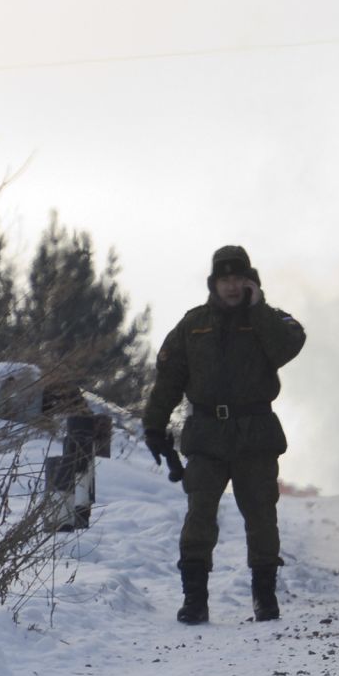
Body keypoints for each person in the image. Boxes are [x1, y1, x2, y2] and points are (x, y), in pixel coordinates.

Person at [142, 245, 306, 623]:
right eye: (224, 280)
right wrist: (154, 424)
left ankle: (265, 597)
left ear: (250, 282)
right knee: (199, 515)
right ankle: (194, 599)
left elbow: (284, 350)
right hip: (207, 434)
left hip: (255, 432)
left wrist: (258, 309)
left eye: (238, 280)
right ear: (213, 284)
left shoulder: (271, 321)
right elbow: (168, 381)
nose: (231, 287)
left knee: (261, 515)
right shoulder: (193, 325)